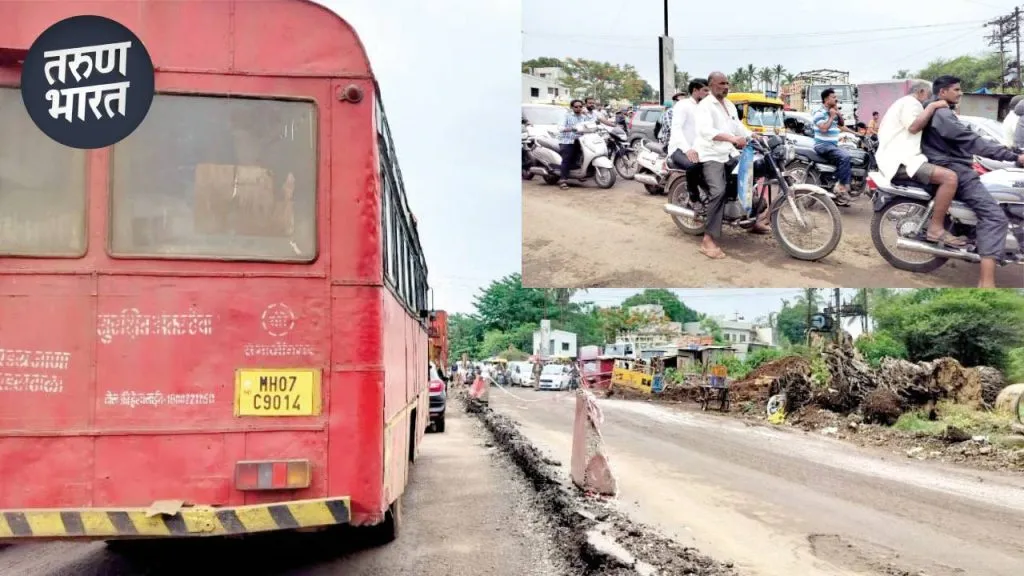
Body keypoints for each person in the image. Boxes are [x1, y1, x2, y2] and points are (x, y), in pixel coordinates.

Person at [920, 75, 1021, 288]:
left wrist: (1011, 152)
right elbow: (972, 141)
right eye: (956, 89)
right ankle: (986, 283)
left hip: (954, 165)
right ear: (942, 92)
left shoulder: (941, 112)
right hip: (955, 169)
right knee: (995, 217)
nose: (960, 93)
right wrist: (1014, 157)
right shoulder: (942, 114)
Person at [875, 79, 963, 246]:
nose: (931, 100)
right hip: (901, 162)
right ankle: (935, 229)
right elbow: (914, 127)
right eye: (929, 96)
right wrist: (932, 107)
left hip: (903, 158)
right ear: (921, 92)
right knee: (949, 178)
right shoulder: (911, 103)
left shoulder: (904, 103)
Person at [693, 71, 765, 260]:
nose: (725, 87)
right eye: (721, 83)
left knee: (749, 178)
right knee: (718, 191)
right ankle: (707, 240)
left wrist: (753, 135)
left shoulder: (730, 105)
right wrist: (732, 139)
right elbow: (706, 130)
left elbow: (738, 127)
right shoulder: (705, 106)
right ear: (710, 86)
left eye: (727, 83)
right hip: (711, 155)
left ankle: (751, 220)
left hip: (728, 153)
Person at [811, 88, 859, 205]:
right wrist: (831, 116)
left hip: (832, 145)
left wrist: (837, 112)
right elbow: (823, 128)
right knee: (844, 157)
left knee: (852, 156)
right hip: (823, 145)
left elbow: (841, 124)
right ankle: (841, 189)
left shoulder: (832, 111)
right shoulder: (819, 112)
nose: (836, 99)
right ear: (827, 99)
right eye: (833, 97)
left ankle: (837, 190)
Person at [667, 79, 709, 200]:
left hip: (698, 148)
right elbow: (676, 129)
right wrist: (687, 150)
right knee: (693, 166)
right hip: (679, 149)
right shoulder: (683, 105)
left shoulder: (704, 107)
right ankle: (694, 198)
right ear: (695, 90)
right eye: (705, 90)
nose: (708, 93)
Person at [557, 99, 589, 190]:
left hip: (581, 140)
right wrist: (571, 129)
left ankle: (580, 174)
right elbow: (560, 127)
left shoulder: (584, 116)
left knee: (583, 157)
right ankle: (563, 180)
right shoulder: (566, 116)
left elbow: (591, 123)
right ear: (572, 107)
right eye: (576, 107)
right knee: (567, 159)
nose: (578, 108)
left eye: (580, 106)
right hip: (567, 140)